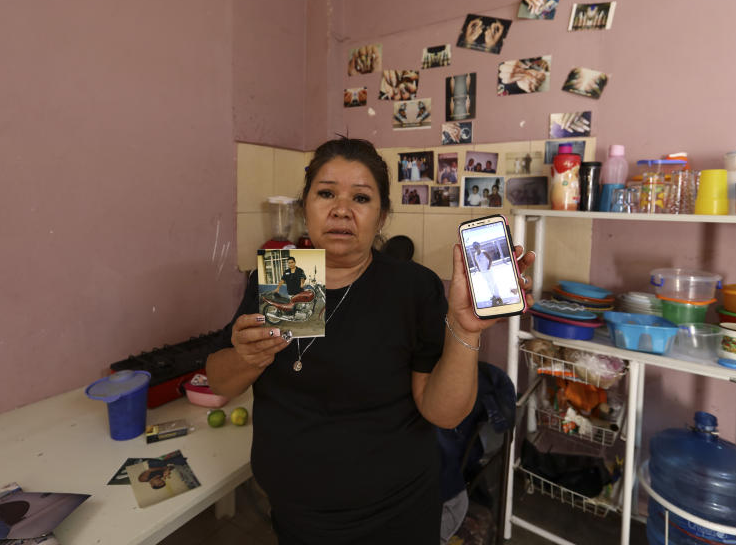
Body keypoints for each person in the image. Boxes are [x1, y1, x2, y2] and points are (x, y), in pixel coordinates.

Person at [205, 137, 534, 544]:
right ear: (305, 206)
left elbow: (444, 412)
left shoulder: (410, 288)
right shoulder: (288, 277)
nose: (341, 209)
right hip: (296, 515)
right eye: (326, 193)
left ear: (380, 217)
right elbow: (221, 381)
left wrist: (465, 330)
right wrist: (247, 356)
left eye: (360, 197)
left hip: (392, 517)